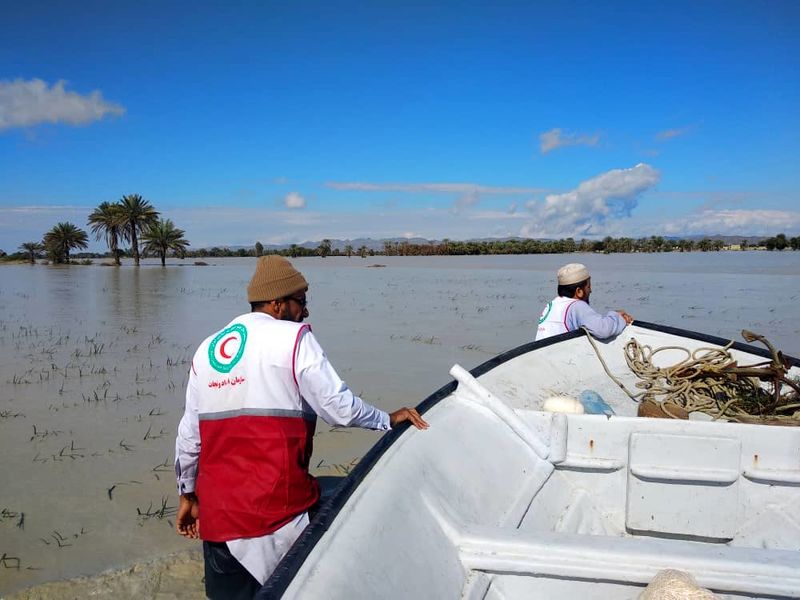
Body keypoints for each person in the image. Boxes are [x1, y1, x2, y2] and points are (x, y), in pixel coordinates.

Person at [174, 255, 428, 599]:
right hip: (277, 516)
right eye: (302, 302)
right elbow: (339, 408)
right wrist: (386, 419)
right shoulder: (293, 338)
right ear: (278, 304)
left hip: (218, 521)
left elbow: (189, 435)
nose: (305, 311)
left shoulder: (208, 349)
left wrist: (187, 493)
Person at [535, 263, 633, 341]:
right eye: (589, 286)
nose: (591, 290)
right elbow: (603, 330)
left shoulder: (551, 305)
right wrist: (618, 317)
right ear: (579, 291)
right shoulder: (576, 305)